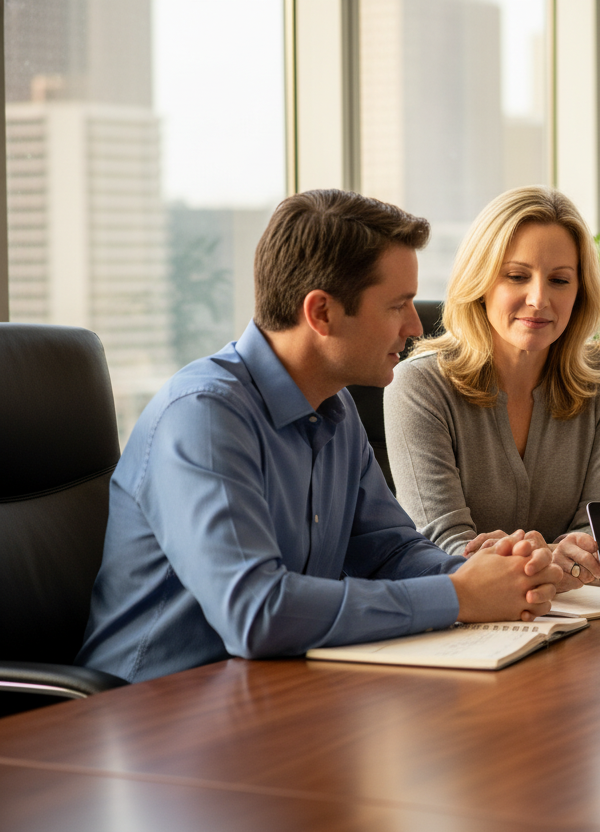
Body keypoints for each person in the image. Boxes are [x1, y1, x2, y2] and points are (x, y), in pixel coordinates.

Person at [77, 190, 563, 683]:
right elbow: (256, 613)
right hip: (153, 705)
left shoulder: (335, 407)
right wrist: (457, 596)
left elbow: (389, 551)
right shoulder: (203, 416)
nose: (414, 326)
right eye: (398, 305)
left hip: (273, 688)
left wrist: (486, 575)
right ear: (322, 313)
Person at [384, 186, 600, 592]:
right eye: (517, 276)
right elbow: (446, 551)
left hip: (577, 614)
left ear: (580, 292)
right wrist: (552, 560)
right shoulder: (418, 385)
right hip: (463, 618)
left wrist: (561, 559)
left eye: (559, 280)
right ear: (480, 281)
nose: (539, 299)